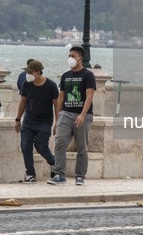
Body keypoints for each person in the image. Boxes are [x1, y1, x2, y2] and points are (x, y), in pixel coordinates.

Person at [48, 46, 96, 186]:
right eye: (69, 55)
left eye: (73, 56)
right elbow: (61, 96)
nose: (70, 58)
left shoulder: (88, 75)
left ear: (80, 58)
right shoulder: (65, 76)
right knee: (59, 143)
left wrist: (82, 115)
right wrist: (58, 119)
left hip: (82, 115)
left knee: (82, 147)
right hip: (66, 114)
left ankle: (80, 176)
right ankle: (59, 174)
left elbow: (89, 97)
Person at [14, 60, 60, 183]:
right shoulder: (26, 84)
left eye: (30, 72)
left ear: (37, 72)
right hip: (28, 120)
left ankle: (54, 163)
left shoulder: (51, 85)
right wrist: (18, 119)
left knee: (41, 146)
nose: (27, 74)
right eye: (26, 71)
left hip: (44, 121)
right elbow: (23, 101)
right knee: (25, 146)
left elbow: (56, 105)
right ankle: (30, 174)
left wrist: (57, 123)